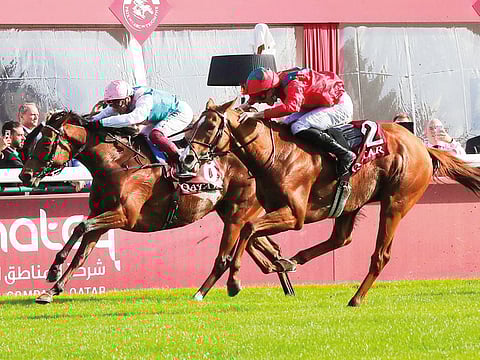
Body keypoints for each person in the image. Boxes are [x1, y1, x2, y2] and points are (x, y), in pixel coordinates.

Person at [239, 67, 356, 189]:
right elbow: (258, 93)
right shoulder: (275, 81)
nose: (259, 101)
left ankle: (344, 154)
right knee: (284, 124)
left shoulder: (293, 84)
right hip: (318, 104)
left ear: (270, 90)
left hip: (339, 105)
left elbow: (291, 108)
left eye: (261, 97)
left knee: (298, 126)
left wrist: (257, 114)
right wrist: (244, 106)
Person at [88, 80, 195, 177]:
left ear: (127, 98)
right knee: (142, 137)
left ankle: (183, 162)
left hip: (180, 112)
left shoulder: (144, 99)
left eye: (117, 103)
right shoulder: (122, 100)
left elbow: (134, 118)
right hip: (161, 116)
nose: (115, 107)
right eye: (111, 103)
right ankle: (162, 163)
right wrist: (90, 121)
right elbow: (106, 113)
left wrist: (102, 123)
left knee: (155, 135)